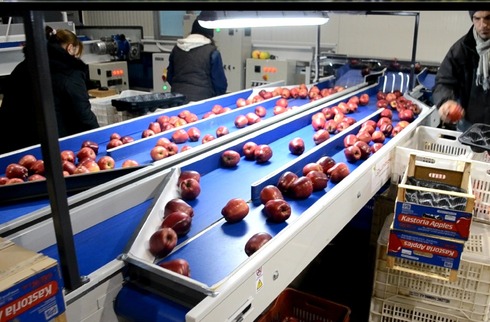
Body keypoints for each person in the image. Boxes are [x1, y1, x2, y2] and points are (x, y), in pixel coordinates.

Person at [0, 27, 99, 154]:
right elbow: (84, 116)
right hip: (55, 151)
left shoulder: (21, 68)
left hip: (14, 149)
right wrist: (100, 139)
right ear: (70, 48)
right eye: (77, 53)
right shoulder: (70, 72)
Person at [433, 11, 490, 132]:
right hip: (471, 128)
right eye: (477, 19)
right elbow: (444, 81)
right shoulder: (462, 48)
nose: (483, 24)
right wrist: (446, 101)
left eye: (488, 18)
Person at [166, 19, 228, 104]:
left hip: (176, 99)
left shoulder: (177, 49)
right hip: (202, 101)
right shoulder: (212, 52)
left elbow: (169, 76)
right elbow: (220, 84)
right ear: (210, 34)